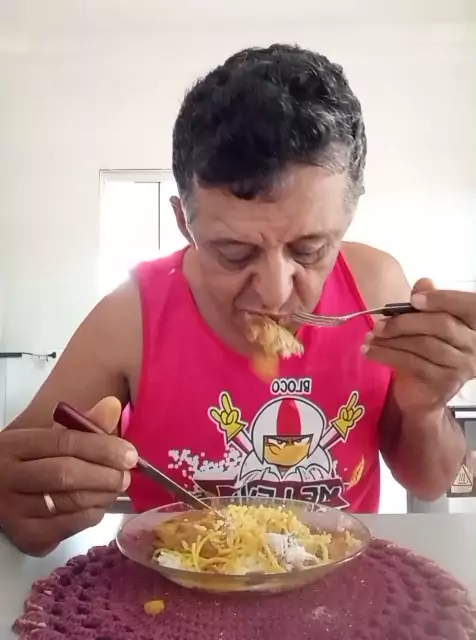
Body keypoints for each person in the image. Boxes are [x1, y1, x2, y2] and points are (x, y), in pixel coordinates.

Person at [0, 44, 475, 557]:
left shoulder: (377, 288)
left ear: (348, 216)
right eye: (234, 252)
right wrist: (27, 503)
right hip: (170, 593)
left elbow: (429, 482)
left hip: (337, 587)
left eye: (309, 250)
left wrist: (427, 410)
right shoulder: (130, 316)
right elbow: (20, 483)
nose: (275, 291)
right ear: (184, 223)